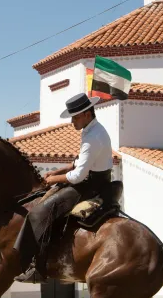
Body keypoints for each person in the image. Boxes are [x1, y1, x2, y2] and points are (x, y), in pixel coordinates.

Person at [14, 92, 113, 283]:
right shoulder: (93, 130)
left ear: (86, 114)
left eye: (75, 117)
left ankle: (36, 267)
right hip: (95, 180)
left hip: (87, 186)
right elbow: (80, 163)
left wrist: (52, 180)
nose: (72, 122)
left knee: (38, 213)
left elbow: (78, 177)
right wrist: (61, 169)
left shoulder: (93, 137)